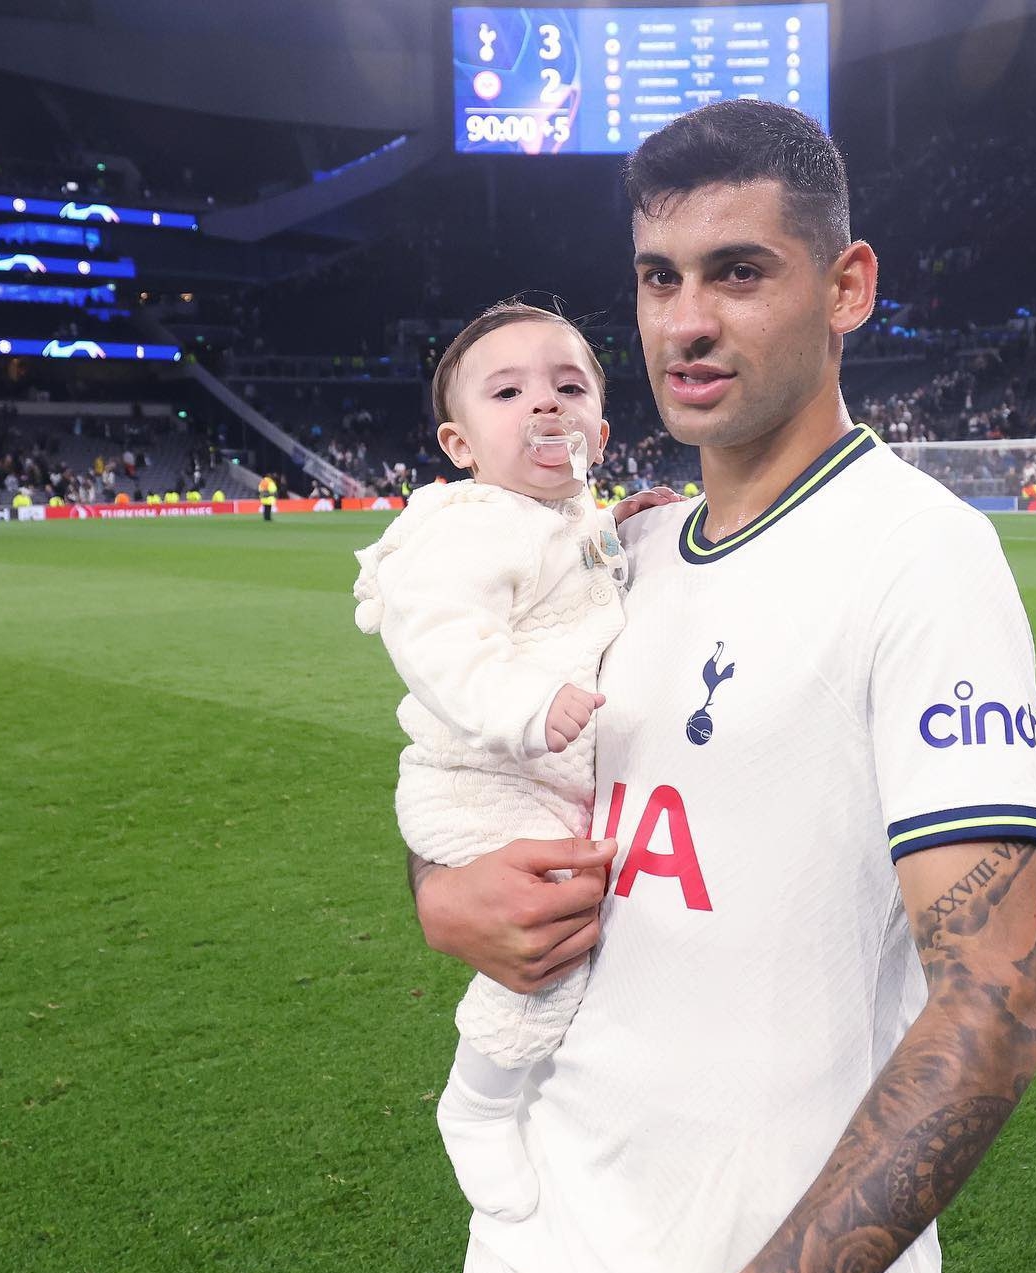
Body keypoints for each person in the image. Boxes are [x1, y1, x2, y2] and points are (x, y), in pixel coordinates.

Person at [411, 101, 1036, 1273]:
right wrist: (437, 890)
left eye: (738, 273)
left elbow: (992, 1005)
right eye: (659, 278)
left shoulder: (919, 555)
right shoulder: (625, 552)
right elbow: (470, 768)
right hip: (536, 1228)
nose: (686, 323)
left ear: (845, 288)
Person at [353, 302, 676, 1223]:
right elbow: (440, 642)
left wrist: (620, 523)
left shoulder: (566, 517)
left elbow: (578, 562)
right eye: (508, 392)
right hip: (477, 783)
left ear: (600, 435)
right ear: (460, 444)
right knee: (554, 934)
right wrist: (528, 707)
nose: (544, 404)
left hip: (536, 780)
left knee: (568, 917)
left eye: (569, 387)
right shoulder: (467, 529)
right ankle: (480, 1102)